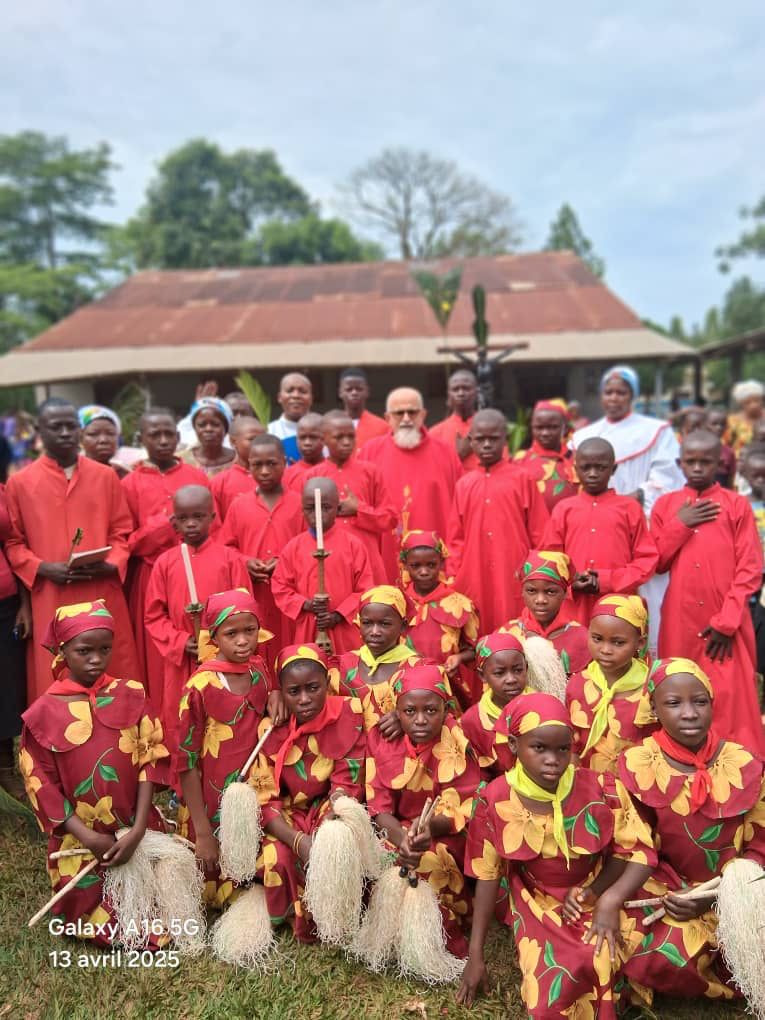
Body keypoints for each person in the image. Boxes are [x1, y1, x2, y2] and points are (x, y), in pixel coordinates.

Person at [458, 692, 654, 1014]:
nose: (553, 759)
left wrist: (604, 897)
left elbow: (637, 852)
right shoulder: (494, 799)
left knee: (616, 948)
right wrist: (475, 954)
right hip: (537, 898)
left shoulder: (602, 787)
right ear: (513, 746)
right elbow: (487, 874)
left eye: (563, 748)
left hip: (595, 885)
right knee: (560, 980)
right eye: (539, 748)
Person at [19, 601, 169, 947]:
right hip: (83, 840)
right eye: (84, 651)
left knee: (164, 909)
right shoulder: (42, 713)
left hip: (136, 826)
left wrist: (140, 827)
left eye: (104, 649)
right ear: (62, 651)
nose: (96, 659)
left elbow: (150, 759)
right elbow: (40, 784)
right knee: (95, 921)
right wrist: (88, 837)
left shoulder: (131, 694)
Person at [620, 658, 765, 1005]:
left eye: (699, 701)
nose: (689, 713)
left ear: (712, 704)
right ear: (653, 708)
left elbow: (761, 843)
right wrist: (683, 897)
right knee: (653, 949)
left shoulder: (744, 762)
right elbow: (635, 848)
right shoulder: (637, 764)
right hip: (671, 890)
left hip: (737, 891)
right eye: (673, 703)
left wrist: (720, 895)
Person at [5, 399, 140, 701]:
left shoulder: (105, 476)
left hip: (100, 587)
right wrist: (41, 567)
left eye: (71, 426)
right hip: (51, 592)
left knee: (113, 666)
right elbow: (13, 542)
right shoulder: (20, 483)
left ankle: (121, 738)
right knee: (55, 671)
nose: (66, 433)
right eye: (56, 427)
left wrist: (112, 562)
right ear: (40, 431)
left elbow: (122, 532)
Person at [650, 429, 765, 753]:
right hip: (680, 620)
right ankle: (680, 768)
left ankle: (739, 777)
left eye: (706, 461)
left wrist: (727, 621)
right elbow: (656, 561)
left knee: (731, 698)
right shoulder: (667, 505)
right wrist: (680, 524)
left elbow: (750, 568)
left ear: (720, 463)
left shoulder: (736, 504)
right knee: (678, 691)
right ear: (679, 463)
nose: (698, 467)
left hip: (726, 621)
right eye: (691, 461)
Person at [366, 662, 481, 956]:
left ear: (445, 709)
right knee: (381, 859)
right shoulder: (382, 740)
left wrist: (427, 831)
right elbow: (378, 807)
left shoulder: (456, 741)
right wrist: (402, 838)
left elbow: (460, 807)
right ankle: (392, 936)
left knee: (430, 860)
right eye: (409, 712)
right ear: (396, 711)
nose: (420, 720)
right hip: (396, 828)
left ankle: (436, 938)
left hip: (443, 832)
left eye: (430, 710)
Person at [252, 644, 366, 941]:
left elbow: (347, 784)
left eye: (313, 688)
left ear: (328, 682)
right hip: (288, 814)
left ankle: (335, 914)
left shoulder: (349, 713)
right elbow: (265, 799)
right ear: (281, 692)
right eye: (294, 692)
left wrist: (327, 828)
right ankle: (290, 915)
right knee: (277, 855)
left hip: (331, 804)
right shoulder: (269, 729)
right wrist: (298, 840)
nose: (304, 700)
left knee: (334, 843)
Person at [572, 365, 684, 651]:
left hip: (640, 515)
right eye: (608, 392)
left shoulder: (656, 431)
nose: (614, 398)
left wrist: (639, 495)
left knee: (641, 600)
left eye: (621, 392)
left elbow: (668, 476)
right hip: (591, 515)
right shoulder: (588, 434)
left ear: (631, 395)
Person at [174, 589, 273, 908]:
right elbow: (186, 762)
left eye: (250, 630)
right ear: (214, 635)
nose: (243, 641)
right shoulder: (200, 688)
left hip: (254, 791)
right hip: (210, 799)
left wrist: (277, 695)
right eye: (232, 633)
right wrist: (202, 832)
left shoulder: (259, 672)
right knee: (212, 879)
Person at [144, 486, 252, 741]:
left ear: (212, 517)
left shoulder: (230, 559)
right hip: (184, 657)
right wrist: (182, 642)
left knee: (223, 717)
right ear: (174, 521)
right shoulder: (165, 563)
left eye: (198, 517)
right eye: (183, 518)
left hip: (223, 656)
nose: (191, 524)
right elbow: (153, 615)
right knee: (182, 717)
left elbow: (244, 608)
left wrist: (223, 641)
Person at [122, 408, 209, 706]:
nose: (162, 440)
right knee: (161, 659)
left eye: (168, 434)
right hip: (153, 577)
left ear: (178, 435)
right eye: (154, 435)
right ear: (141, 438)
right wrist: (161, 525)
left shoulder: (195, 476)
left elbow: (216, 526)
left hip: (201, 572)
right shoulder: (130, 483)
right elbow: (127, 543)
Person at [448, 409, 548, 632]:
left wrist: (537, 574)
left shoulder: (522, 479)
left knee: (517, 633)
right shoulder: (464, 484)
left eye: (493, 439)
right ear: (470, 441)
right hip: (473, 576)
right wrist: (454, 576)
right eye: (480, 439)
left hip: (514, 573)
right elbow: (455, 539)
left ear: (505, 439)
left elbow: (540, 534)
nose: (486, 445)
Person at [543, 438, 658, 626]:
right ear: (576, 468)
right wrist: (571, 584)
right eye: (586, 467)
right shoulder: (564, 509)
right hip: (573, 606)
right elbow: (551, 558)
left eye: (601, 467)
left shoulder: (629, 508)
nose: (593, 474)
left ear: (613, 469)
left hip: (619, 605)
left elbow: (646, 560)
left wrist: (607, 580)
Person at [219, 434, 304, 664]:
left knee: (290, 649)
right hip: (254, 593)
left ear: (284, 462)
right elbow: (226, 547)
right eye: (257, 464)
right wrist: (245, 562)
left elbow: (308, 545)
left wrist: (285, 562)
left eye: (272, 463)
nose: (265, 471)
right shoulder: (239, 505)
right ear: (248, 466)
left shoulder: (299, 503)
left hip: (290, 596)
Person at [357, 387, 462, 566]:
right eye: (399, 413)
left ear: (423, 415)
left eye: (412, 412)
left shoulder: (446, 453)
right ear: (387, 418)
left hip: (436, 559)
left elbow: (459, 509)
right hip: (387, 554)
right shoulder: (370, 452)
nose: (406, 418)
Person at [271, 478, 374, 655]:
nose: (318, 515)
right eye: (311, 508)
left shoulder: (353, 545)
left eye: (325, 508)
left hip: (344, 628)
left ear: (338, 508)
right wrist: (306, 604)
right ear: (302, 509)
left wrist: (339, 615)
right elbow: (280, 586)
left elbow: (365, 589)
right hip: (308, 626)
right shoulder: (293, 548)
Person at [566, 595, 652, 776]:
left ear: (640, 643)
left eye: (618, 642)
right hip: (587, 789)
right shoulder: (578, 684)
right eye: (597, 639)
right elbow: (570, 742)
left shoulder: (651, 690)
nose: (605, 650)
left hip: (635, 790)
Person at [307, 414, 396, 580]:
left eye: (350, 436)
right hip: (328, 561)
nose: (347, 442)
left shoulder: (371, 472)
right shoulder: (313, 476)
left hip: (368, 559)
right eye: (339, 437)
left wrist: (359, 509)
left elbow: (390, 518)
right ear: (323, 439)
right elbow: (302, 523)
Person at [399, 530, 479, 710]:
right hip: (404, 686)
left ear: (442, 562)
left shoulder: (461, 604)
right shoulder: (397, 604)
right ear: (405, 564)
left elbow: (474, 650)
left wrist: (458, 657)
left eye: (431, 564)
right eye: (416, 565)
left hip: (447, 688)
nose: (424, 571)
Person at [332, 585, 421, 739]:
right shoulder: (342, 665)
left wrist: (405, 717)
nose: (374, 632)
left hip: (397, 759)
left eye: (385, 624)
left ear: (403, 626)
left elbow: (440, 712)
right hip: (351, 761)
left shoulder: (418, 668)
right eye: (367, 623)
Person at [500, 550, 590, 676]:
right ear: (522, 592)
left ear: (565, 593)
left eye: (550, 592)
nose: (540, 600)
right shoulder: (507, 634)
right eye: (531, 590)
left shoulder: (582, 637)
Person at [459, 631, 530, 776]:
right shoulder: (472, 721)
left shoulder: (543, 707)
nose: (511, 679)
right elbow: (477, 774)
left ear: (526, 668)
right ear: (482, 675)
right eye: (499, 673)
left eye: (518, 670)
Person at [0, 483, 30, 798]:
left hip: (5, 603)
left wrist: (25, 602)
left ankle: (5, 769)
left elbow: (12, 541)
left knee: (7, 684)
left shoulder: (4, 491)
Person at [514, 400, 578, 512]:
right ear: (532, 428)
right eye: (539, 427)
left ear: (565, 429)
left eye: (552, 427)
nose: (545, 433)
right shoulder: (520, 460)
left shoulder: (578, 460)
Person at [209, 416, 264, 521]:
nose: (258, 444)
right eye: (251, 439)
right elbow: (215, 525)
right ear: (233, 442)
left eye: (262, 439)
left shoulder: (276, 477)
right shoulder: (220, 482)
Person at [740, 445, 765, 678]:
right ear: (745, 474)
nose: (761, 481)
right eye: (756, 476)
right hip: (748, 577)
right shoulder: (741, 504)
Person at [430, 369, 480, 470]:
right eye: (455, 389)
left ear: (476, 392)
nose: (461, 393)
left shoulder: (490, 428)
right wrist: (458, 455)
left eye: (466, 388)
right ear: (449, 394)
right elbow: (431, 470)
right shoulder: (435, 433)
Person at [180, 396, 236, 477]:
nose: (208, 429)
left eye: (215, 424)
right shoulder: (180, 460)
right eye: (201, 425)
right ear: (194, 427)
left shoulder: (239, 461)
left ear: (226, 428)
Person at [267, 372, 313, 465]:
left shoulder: (325, 429)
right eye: (290, 391)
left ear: (311, 398)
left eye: (302, 391)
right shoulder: (268, 431)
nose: (296, 395)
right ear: (279, 397)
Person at [337, 367, 388, 448]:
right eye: (349, 389)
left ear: (367, 391)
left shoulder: (382, 427)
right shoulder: (332, 426)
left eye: (359, 389)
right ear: (340, 392)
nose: (354, 393)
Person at [78, 405, 128, 479]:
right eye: (93, 434)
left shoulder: (126, 473)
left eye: (110, 433)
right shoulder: (71, 474)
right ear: (80, 439)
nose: (103, 440)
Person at [283, 412, 325, 493]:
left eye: (313, 437)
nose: (307, 443)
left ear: (324, 438)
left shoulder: (334, 470)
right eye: (302, 437)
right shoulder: (287, 474)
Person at [727, 379, 765, 454]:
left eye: (757, 400)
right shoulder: (732, 421)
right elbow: (727, 445)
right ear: (741, 404)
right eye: (748, 402)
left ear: (762, 400)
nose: (753, 405)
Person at [705, 407, 736, 488]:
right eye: (714, 424)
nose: (719, 427)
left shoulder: (729, 452)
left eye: (722, 424)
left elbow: (730, 478)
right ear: (704, 425)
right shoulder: (696, 450)